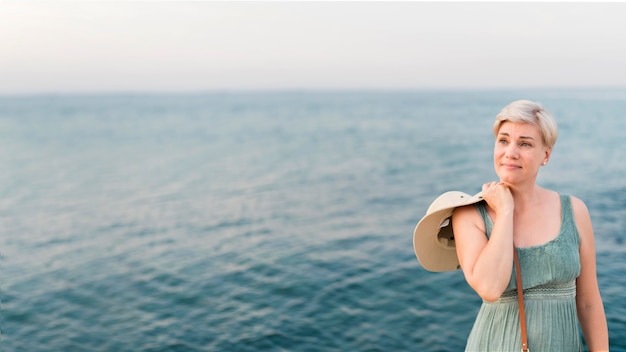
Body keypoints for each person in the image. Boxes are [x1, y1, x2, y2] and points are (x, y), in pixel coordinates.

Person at [451, 100, 609, 351]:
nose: (510, 152)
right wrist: (505, 211)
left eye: (524, 143)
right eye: (503, 140)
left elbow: (589, 301)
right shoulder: (469, 215)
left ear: (545, 154)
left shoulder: (574, 210)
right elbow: (490, 289)